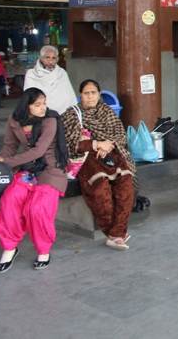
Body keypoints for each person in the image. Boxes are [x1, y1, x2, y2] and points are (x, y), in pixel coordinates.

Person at [0, 88, 67, 273]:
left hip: (50, 168)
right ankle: (9, 248)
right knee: (10, 200)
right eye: (37, 105)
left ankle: (43, 250)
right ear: (26, 106)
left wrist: (7, 161)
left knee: (37, 208)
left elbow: (39, 151)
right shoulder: (15, 120)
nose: (43, 108)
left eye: (44, 103)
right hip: (27, 168)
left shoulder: (50, 119)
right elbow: (9, 147)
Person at [61, 80, 135, 250]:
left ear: (99, 94)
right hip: (88, 159)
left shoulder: (107, 111)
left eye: (94, 92)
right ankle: (115, 233)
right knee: (100, 190)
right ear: (81, 95)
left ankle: (116, 234)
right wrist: (95, 144)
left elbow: (120, 135)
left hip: (112, 155)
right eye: (86, 93)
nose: (90, 96)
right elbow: (70, 143)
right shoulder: (72, 114)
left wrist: (108, 144)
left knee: (126, 188)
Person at [23, 45, 77, 115]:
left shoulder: (62, 73)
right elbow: (29, 97)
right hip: (39, 113)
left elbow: (69, 96)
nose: (50, 61)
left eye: (53, 58)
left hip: (63, 114)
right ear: (41, 58)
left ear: (57, 59)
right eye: (47, 57)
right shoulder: (31, 74)